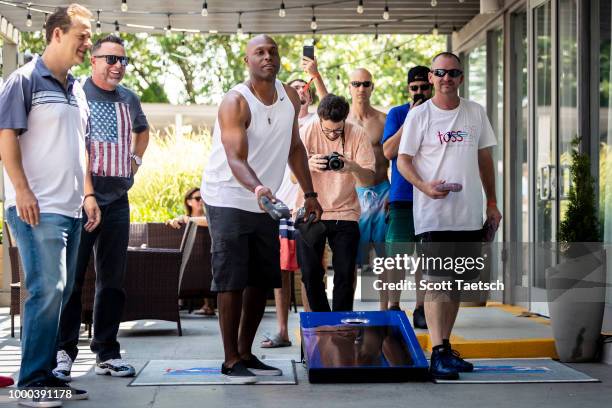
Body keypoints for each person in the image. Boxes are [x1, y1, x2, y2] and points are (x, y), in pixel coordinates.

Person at [201, 35, 322, 384]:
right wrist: (257, 187)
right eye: (259, 53)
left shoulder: (288, 97)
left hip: (265, 201)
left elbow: (295, 148)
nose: (267, 57)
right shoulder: (235, 102)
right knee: (232, 278)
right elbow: (234, 158)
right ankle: (229, 361)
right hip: (228, 197)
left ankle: (245, 352)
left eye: (272, 52)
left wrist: (310, 193)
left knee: (261, 278)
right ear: (247, 61)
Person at [0, 4, 96, 405]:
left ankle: (45, 374)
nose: (88, 44)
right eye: (83, 35)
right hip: (37, 207)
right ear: (57, 34)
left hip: (72, 208)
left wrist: (88, 194)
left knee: (63, 290)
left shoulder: (76, 89)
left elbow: (81, 148)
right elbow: (6, 138)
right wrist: (21, 190)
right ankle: (32, 381)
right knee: (47, 290)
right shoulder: (22, 81)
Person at [397, 52, 502, 380]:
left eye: (453, 73)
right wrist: (424, 187)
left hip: (469, 213)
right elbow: (403, 160)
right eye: (440, 72)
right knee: (436, 283)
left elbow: (485, 159)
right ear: (431, 77)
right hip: (435, 214)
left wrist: (492, 203)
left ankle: (445, 349)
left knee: (454, 283)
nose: (447, 78)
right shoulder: (420, 115)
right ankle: (438, 352)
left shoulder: (474, 112)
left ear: (460, 76)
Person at [52, 34, 149, 383]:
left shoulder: (129, 98)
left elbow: (143, 130)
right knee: (72, 280)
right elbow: (74, 147)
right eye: (110, 59)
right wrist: (87, 194)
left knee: (112, 282)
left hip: (118, 200)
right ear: (93, 61)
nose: (118, 66)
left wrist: (135, 161)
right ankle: (62, 353)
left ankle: (107, 352)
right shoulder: (75, 94)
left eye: (122, 60)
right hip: (80, 200)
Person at [297, 94, 375, 312]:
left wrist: (353, 167)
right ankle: (324, 323)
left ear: (345, 120)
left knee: (345, 273)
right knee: (310, 274)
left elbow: (368, 180)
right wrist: (309, 164)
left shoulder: (357, 134)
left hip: (346, 211)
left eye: (337, 131)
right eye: (327, 130)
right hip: (312, 210)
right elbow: (293, 177)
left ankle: (341, 327)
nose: (332, 135)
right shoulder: (306, 131)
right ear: (319, 118)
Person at [380, 66, 432, 328]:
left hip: (432, 195)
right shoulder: (398, 113)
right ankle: (394, 305)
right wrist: (410, 120)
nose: (419, 92)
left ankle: (421, 308)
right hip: (403, 194)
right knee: (398, 255)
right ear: (408, 89)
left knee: (425, 256)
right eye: (415, 88)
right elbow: (388, 151)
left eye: (424, 87)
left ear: (431, 86)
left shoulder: (439, 114)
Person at [347, 68, 390, 270]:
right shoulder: (342, 120)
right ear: (349, 87)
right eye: (356, 84)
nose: (361, 88)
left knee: (384, 259)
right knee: (354, 260)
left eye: (366, 84)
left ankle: (388, 304)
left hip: (382, 191)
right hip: (354, 194)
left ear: (372, 87)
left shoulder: (385, 119)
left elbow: (398, 158)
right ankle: (349, 303)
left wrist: (395, 192)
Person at [166, 187, 215, 316]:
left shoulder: (208, 218)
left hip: (208, 259)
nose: (201, 201)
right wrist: (173, 221)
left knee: (206, 265)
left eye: (203, 198)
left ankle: (208, 305)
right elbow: (172, 223)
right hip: (189, 261)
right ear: (189, 202)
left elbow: (211, 223)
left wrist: (187, 219)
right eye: (198, 198)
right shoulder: (184, 219)